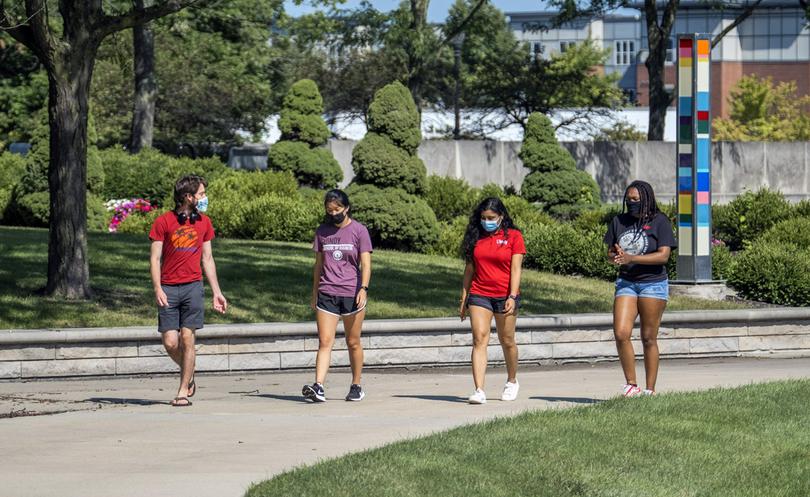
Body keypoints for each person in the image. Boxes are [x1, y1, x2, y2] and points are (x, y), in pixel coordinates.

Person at [149, 175, 227, 407]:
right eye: (201, 194)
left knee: (187, 338)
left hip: (193, 287)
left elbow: (208, 258)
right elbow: (154, 259)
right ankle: (189, 371)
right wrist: (157, 288)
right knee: (171, 342)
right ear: (188, 197)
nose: (204, 198)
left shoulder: (204, 222)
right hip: (169, 288)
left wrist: (217, 292)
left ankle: (183, 391)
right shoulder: (163, 222)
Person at [604, 180, 676, 397]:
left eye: (636, 199)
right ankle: (631, 384)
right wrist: (615, 257)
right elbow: (609, 253)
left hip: (653, 284)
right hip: (626, 282)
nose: (631, 202)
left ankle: (650, 389)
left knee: (648, 337)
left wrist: (632, 257)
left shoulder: (659, 221)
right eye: (629, 199)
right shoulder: (619, 221)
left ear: (647, 199)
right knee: (621, 333)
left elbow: (664, 255)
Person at [303, 189, 372, 403]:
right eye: (329, 210)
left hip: (352, 293)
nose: (334, 213)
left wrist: (363, 288)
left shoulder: (359, 231)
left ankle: (356, 385)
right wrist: (315, 292)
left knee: (353, 342)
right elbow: (318, 265)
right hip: (327, 292)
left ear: (347, 208)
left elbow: (366, 264)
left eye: (338, 209)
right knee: (325, 341)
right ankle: (319, 386)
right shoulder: (322, 232)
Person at [459, 197, 526, 404]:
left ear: (501, 217)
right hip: (480, 294)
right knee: (479, 339)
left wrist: (513, 296)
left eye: (491, 218)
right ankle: (479, 390)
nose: (486, 221)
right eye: (483, 218)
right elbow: (469, 270)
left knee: (507, 341)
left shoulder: (514, 237)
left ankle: (512, 380)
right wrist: (464, 298)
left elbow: (516, 269)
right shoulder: (476, 237)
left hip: (505, 295)